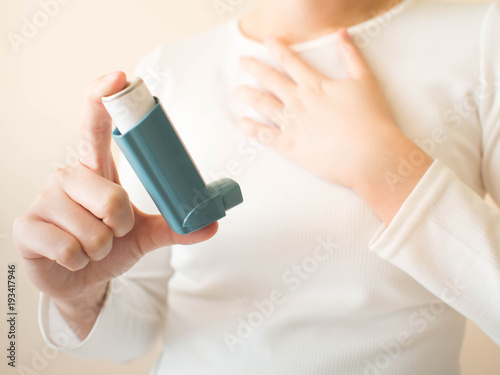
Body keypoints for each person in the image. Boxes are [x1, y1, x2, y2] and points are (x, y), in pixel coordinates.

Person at [13, 0, 500, 373]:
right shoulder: (170, 70)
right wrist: (78, 298)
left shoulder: (483, 38)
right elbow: (134, 330)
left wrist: (384, 166)